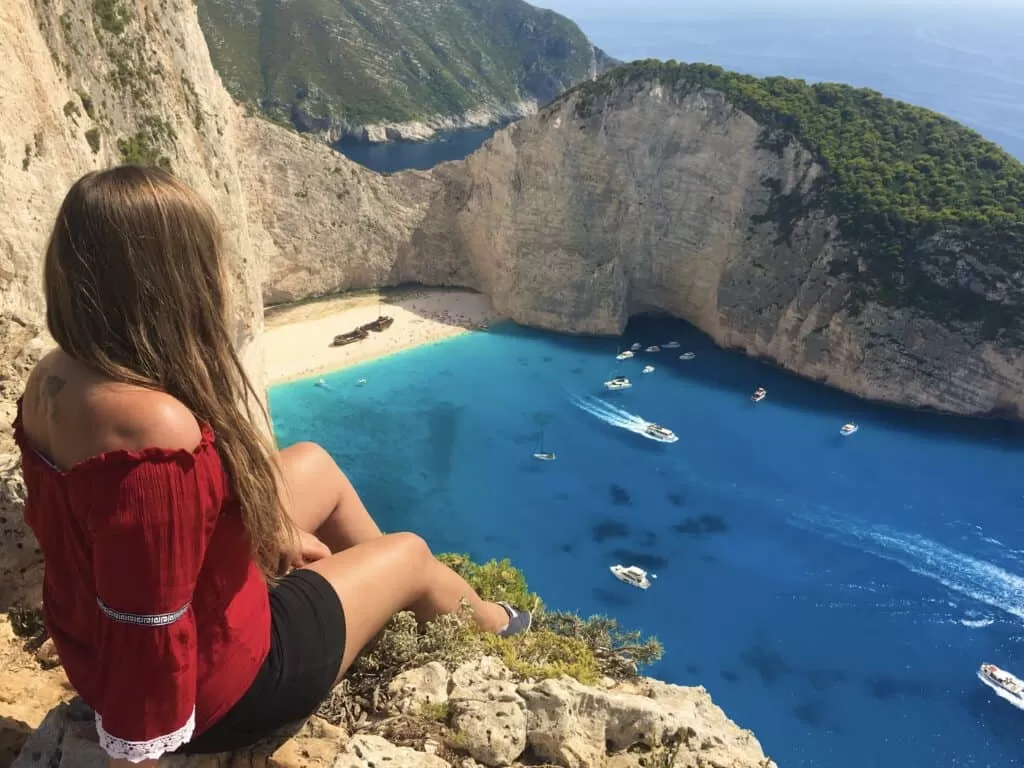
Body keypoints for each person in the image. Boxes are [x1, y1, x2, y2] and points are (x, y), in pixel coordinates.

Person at [13, 166, 531, 767]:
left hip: (94, 642)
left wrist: (261, 532)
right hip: (226, 688)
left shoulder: (53, 375)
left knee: (314, 463)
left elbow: (104, 527)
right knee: (411, 553)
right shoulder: (152, 428)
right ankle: (500, 628)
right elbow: (146, 627)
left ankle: (364, 593)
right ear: (175, 280)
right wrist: (139, 749)